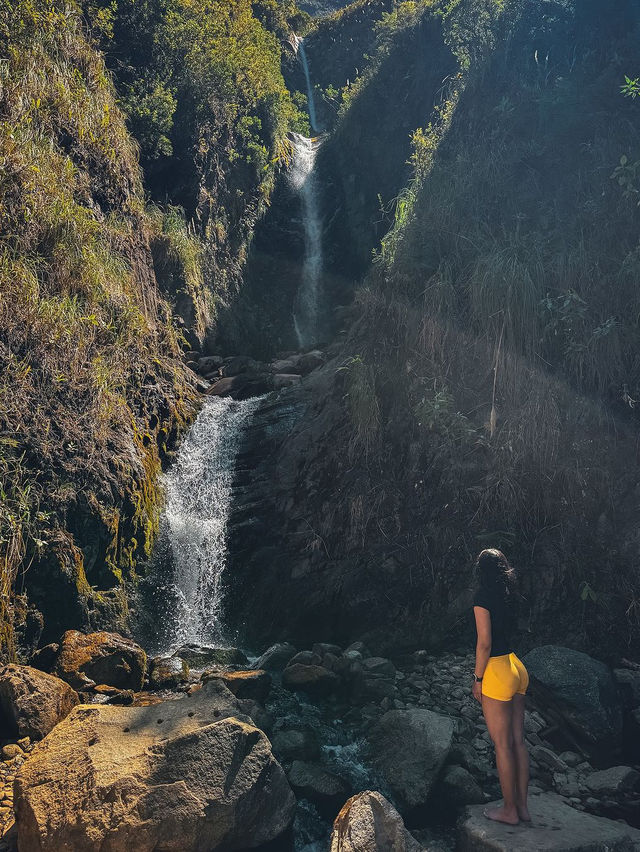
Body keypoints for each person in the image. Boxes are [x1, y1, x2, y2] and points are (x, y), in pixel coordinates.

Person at [471, 548, 530, 825]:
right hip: (517, 667)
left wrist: (477, 679)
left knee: (502, 744)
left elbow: (484, 643)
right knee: (518, 741)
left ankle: (508, 811)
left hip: (497, 670)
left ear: (480, 570)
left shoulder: (482, 597)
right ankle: (522, 807)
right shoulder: (510, 595)